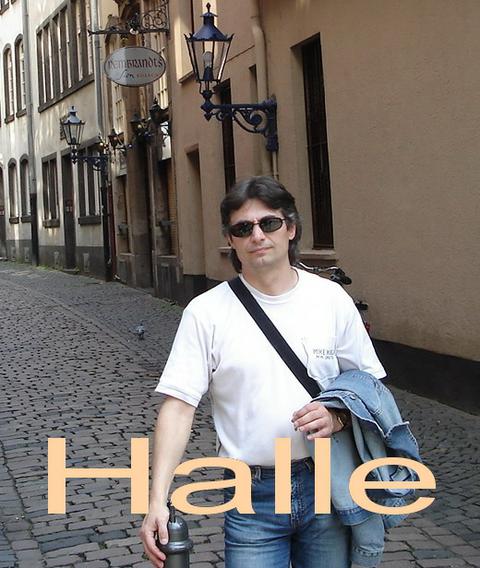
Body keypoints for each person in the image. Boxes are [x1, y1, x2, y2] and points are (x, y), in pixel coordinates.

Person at [140, 176, 386, 568]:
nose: (257, 235)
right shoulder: (206, 313)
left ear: (290, 228)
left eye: (268, 223)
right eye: (243, 228)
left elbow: (369, 387)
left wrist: (337, 416)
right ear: (231, 240)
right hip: (250, 496)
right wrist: (156, 500)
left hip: (328, 483)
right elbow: (178, 407)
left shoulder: (330, 300)